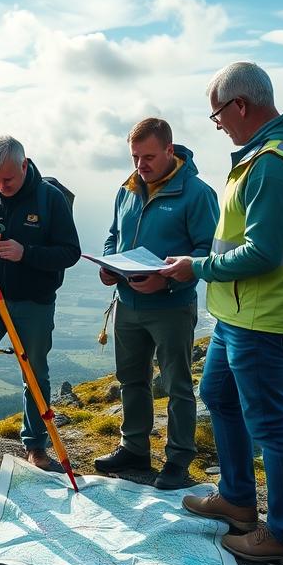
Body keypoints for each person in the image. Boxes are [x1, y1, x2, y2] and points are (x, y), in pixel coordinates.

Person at [159, 61, 283, 565]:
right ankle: (237, 499)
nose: (219, 127)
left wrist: (199, 266)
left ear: (240, 105)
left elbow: (261, 252)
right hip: (241, 313)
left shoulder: (274, 163)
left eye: (218, 116)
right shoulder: (281, 153)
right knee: (217, 393)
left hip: (263, 314)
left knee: (269, 424)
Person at [93, 118, 218, 489]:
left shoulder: (196, 193)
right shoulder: (127, 189)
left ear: (169, 150)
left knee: (177, 384)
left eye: (148, 156)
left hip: (172, 307)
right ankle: (134, 448)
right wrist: (107, 265)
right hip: (127, 302)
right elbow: (113, 236)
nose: (140, 165)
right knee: (131, 379)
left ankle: (178, 459)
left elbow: (205, 252)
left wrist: (162, 280)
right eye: (134, 157)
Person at [0, 135, 81, 472]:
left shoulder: (50, 199)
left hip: (34, 301)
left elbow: (70, 252)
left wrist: (27, 253)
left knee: (34, 371)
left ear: (25, 165)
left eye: (8, 178)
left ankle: (35, 445)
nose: (2, 186)